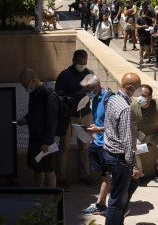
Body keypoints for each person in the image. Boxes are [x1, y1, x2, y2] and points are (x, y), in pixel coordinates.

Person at [55, 49, 98, 191]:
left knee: (84, 148)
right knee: (64, 147)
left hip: (85, 115)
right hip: (69, 116)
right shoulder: (64, 75)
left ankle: (85, 176)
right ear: (74, 61)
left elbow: (97, 91)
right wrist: (76, 94)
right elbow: (58, 97)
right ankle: (61, 178)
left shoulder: (89, 74)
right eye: (80, 63)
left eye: (85, 63)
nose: (82, 65)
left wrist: (94, 90)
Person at [103, 73, 142, 225]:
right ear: (130, 88)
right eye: (138, 88)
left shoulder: (113, 100)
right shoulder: (126, 109)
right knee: (117, 200)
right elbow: (127, 141)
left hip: (110, 154)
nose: (139, 91)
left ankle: (118, 220)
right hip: (119, 158)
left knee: (130, 185)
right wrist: (134, 165)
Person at [17, 68, 59, 188]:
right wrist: (25, 119)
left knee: (49, 170)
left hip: (45, 140)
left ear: (34, 80)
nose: (26, 88)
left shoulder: (50, 95)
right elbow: (32, 113)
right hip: (35, 137)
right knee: (37, 168)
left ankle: (52, 200)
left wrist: (47, 141)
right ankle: (39, 195)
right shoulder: (34, 92)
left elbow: (52, 121)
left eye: (26, 85)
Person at [80, 74, 113, 215]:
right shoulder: (93, 98)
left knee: (107, 175)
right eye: (85, 90)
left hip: (108, 144)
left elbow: (116, 124)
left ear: (97, 86)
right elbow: (98, 120)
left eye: (89, 89)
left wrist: (99, 129)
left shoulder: (109, 99)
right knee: (104, 175)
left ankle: (101, 204)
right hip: (97, 142)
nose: (87, 92)